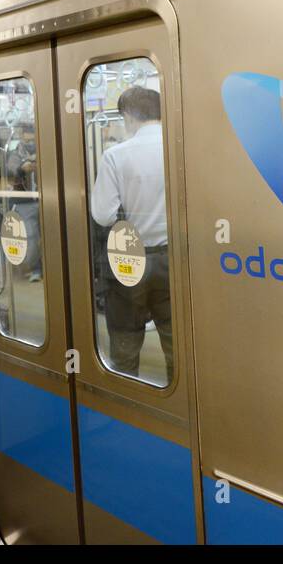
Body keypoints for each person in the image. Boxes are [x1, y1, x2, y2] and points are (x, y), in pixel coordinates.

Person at [89, 86, 171, 380]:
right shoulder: (180, 146)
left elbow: (103, 214)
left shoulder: (116, 156)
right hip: (173, 261)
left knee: (125, 347)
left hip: (130, 261)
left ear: (129, 117)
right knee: (176, 342)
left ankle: (126, 413)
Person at [3, 122, 42, 283]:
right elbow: (10, 171)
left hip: (44, 198)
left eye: (32, 134)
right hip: (24, 201)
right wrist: (21, 168)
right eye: (27, 135)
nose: (30, 139)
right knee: (31, 235)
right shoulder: (15, 153)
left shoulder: (44, 149)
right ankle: (34, 268)